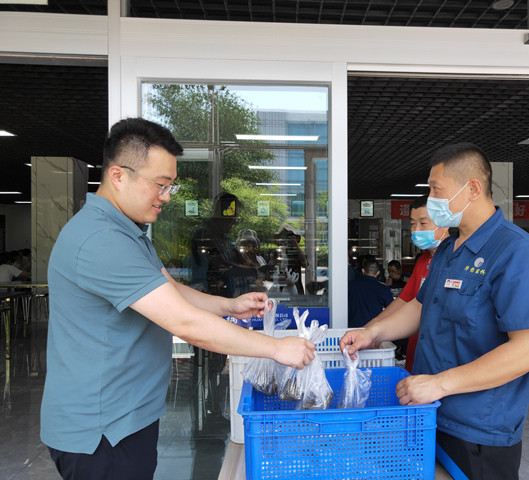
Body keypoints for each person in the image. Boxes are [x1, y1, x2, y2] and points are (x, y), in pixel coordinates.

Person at [40, 118, 316, 480]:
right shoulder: (100, 240)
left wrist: (228, 306)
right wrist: (276, 348)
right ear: (118, 176)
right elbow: (185, 323)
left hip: (125, 418)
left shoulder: (126, 232)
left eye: (171, 185)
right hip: (102, 430)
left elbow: (168, 288)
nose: (167, 196)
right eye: (160, 184)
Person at [340, 143, 529, 480]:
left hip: (478, 428)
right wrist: (373, 332)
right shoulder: (447, 250)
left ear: (473, 189)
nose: (431, 199)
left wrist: (441, 384)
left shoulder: (517, 252)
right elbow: (420, 306)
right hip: (430, 411)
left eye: (436, 189)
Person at [364, 194, 449, 372]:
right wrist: (372, 327)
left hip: (441, 356)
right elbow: (405, 300)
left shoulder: (456, 259)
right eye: (412, 224)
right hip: (417, 349)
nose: (416, 230)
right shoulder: (424, 260)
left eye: (423, 223)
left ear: (445, 222)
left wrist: (376, 331)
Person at [348, 256, 393, 328]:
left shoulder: (350, 285)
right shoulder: (383, 288)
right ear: (378, 273)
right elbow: (392, 309)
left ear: (363, 271)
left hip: (352, 327)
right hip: (373, 328)